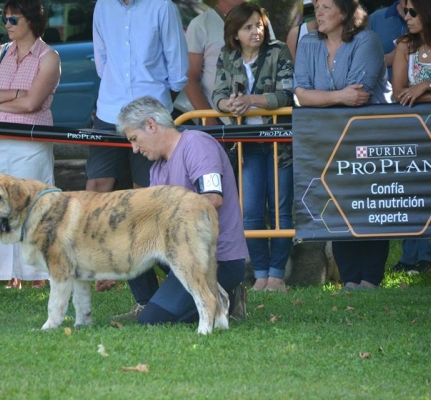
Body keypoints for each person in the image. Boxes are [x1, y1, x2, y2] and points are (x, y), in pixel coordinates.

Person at [114, 96, 248, 324]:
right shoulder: (156, 168)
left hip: (218, 259)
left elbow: (212, 199)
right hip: (180, 254)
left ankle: (228, 296)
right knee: (129, 229)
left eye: (135, 139)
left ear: (150, 125)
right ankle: (145, 302)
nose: (135, 149)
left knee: (153, 321)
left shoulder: (197, 143)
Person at [88, 0, 189, 292]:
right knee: (98, 193)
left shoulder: (162, 6)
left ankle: (184, 283)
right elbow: (101, 62)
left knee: (148, 202)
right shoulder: (102, 6)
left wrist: (155, 104)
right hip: (109, 112)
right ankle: (142, 297)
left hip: (150, 116)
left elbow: (179, 69)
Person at [294, 0, 393, 290]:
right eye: (316, 7)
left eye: (325, 6)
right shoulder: (309, 43)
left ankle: (370, 277)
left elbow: (358, 93)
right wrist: (337, 97)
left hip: (367, 139)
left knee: (369, 203)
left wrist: (318, 95)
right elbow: (301, 93)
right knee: (338, 204)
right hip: (327, 138)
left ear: (345, 12)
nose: (318, 12)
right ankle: (350, 277)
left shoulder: (367, 40)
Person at [0, 0, 61, 290]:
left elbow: (33, 102)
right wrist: (12, 93)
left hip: (31, 140)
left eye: (14, 19)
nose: (7, 24)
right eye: (6, 18)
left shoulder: (49, 57)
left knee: (32, 202)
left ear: (31, 21)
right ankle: (8, 273)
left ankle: (38, 272)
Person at [211, 3, 295, 291]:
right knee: (251, 212)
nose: (256, 31)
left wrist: (251, 101)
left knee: (282, 210)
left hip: (279, 142)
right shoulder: (227, 55)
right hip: (246, 144)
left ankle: (277, 274)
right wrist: (228, 104)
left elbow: (287, 94)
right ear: (235, 34)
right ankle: (260, 273)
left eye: (258, 25)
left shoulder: (278, 50)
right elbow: (217, 95)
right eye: (248, 27)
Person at [391, 0, 431, 288]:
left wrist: (427, 86)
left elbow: (413, 91)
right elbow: (399, 94)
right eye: (406, 11)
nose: (407, 17)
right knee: (429, 204)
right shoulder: (405, 46)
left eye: (413, 12)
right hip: (419, 137)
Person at [185, 0, 276, 125]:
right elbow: (190, 78)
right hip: (219, 120)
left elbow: (274, 65)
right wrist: (210, 121)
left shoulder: (260, 20)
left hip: (263, 119)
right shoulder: (200, 25)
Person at [369, 0, 408, 81]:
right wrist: (387, 60)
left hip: (418, 91)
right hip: (381, 91)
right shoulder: (375, 18)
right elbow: (355, 63)